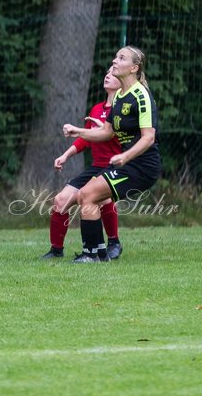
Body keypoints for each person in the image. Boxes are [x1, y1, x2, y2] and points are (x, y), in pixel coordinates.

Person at [63, 45, 160, 263]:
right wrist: (78, 131)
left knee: (87, 195)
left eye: (121, 58)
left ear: (134, 68)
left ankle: (92, 255)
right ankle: (98, 253)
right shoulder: (119, 97)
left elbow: (148, 138)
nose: (115, 61)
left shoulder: (141, 95)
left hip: (142, 165)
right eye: (115, 57)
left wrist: (125, 157)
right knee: (84, 196)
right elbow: (107, 132)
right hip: (127, 163)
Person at [42, 70, 124, 260]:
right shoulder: (96, 109)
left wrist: (106, 130)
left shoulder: (123, 109)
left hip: (115, 167)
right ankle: (56, 250)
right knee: (60, 201)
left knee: (98, 197)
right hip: (96, 167)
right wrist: (65, 155)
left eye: (113, 73)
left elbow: (129, 140)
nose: (107, 75)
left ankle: (113, 243)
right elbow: (85, 140)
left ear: (123, 82)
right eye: (106, 72)